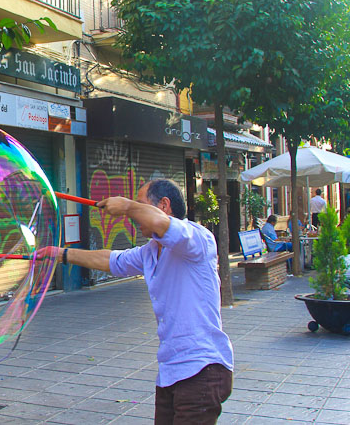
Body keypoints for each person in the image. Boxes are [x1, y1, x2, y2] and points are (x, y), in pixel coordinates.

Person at [51, 179, 233, 423]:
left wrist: (126, 206)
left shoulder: (197, 239)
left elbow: (160, 223)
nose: (134, 216)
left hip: (201, 369)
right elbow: (110, 260)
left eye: (141, 205)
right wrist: (61, 254)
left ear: (164, 205)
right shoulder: (150, 251)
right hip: (171, 371)